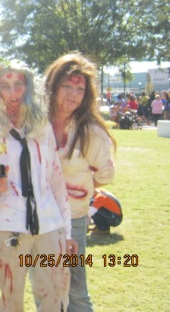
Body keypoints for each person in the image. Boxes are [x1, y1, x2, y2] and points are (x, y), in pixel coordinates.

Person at [0, 61, 77, 312]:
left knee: (56, 292)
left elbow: (55, 180)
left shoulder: (42, 127)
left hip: (49, 223)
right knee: (11, 297)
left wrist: (67, 232)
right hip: (9, 226)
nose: (12, 93)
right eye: (5, 85)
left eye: (18, 84)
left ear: (28, 88)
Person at [44, 52, 116, 312]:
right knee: (44, 288)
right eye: (66, 85)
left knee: (75, 291)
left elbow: (105, 176)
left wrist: (76, 192)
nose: (72, 93)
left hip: (72, 220)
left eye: (80, 88)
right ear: (53, 84)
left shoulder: (91, 133)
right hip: (38, 219)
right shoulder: (35, 123)